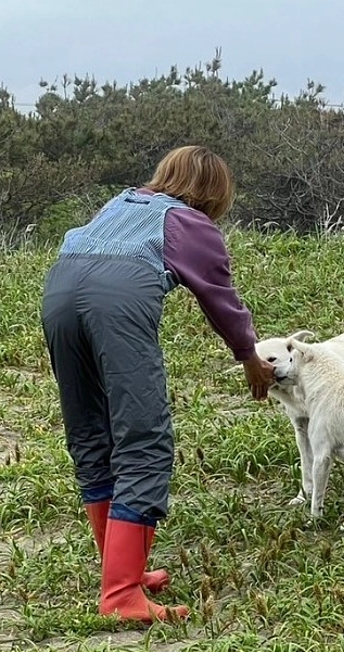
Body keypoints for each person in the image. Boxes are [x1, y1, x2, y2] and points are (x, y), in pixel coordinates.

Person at [40, 145, 275, 623]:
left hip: (59, 289)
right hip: (116, 302)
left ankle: (119, 570)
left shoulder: (123, 202)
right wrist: (249, 355)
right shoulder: (192, 224)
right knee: (144, 439)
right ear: (216, 193)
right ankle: (122, 596)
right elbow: (221, 299)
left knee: (91, 433)